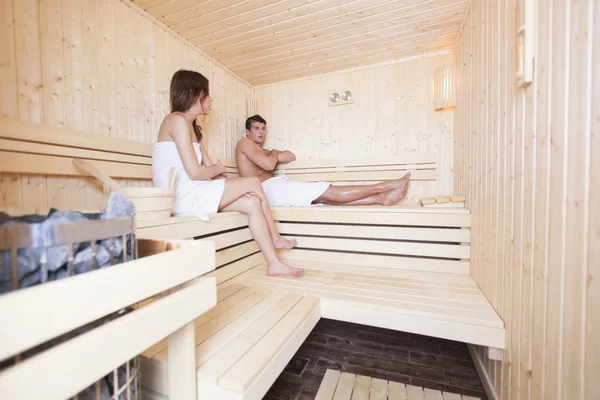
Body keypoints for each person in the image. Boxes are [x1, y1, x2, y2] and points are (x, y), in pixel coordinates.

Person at [152, 70, 302, 278]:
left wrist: (226, 179)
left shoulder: (192, 128)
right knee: (252, 183)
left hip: (196, 191)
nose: (211, 99)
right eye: (207, 94)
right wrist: (221, 170)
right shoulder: (176, 120)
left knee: (252, 202)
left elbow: (209, 167)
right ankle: (275, 237)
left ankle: (274, 264)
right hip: (181, 196)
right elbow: (196, 172)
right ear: (196, 94)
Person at [235, 115, 411, 207]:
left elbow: (290, 156)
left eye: (264, 129)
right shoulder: (245, 143)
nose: (261, 132)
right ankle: (383, 186)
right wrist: (274, 152)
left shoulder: (263, 151)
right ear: (247, 132)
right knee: (329, 192)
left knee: (323, 199)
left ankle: (380, 199)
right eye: (257, 128)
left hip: (276, 187)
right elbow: (268, 164)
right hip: (267, 190)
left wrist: (271, 153)